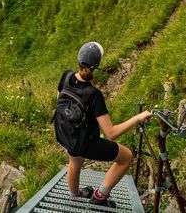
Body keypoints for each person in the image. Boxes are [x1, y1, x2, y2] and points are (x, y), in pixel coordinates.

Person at [57, 42, 152, 208]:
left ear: (79, 60)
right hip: (86, 142)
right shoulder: (94, 95)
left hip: (67, 133)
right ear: (96, 67)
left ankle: (74, 196)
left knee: (74, 163)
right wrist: (138, 118)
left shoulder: (66, 76)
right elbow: (111, 133)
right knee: (127, 157)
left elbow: (61, 102)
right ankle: (100, 196)